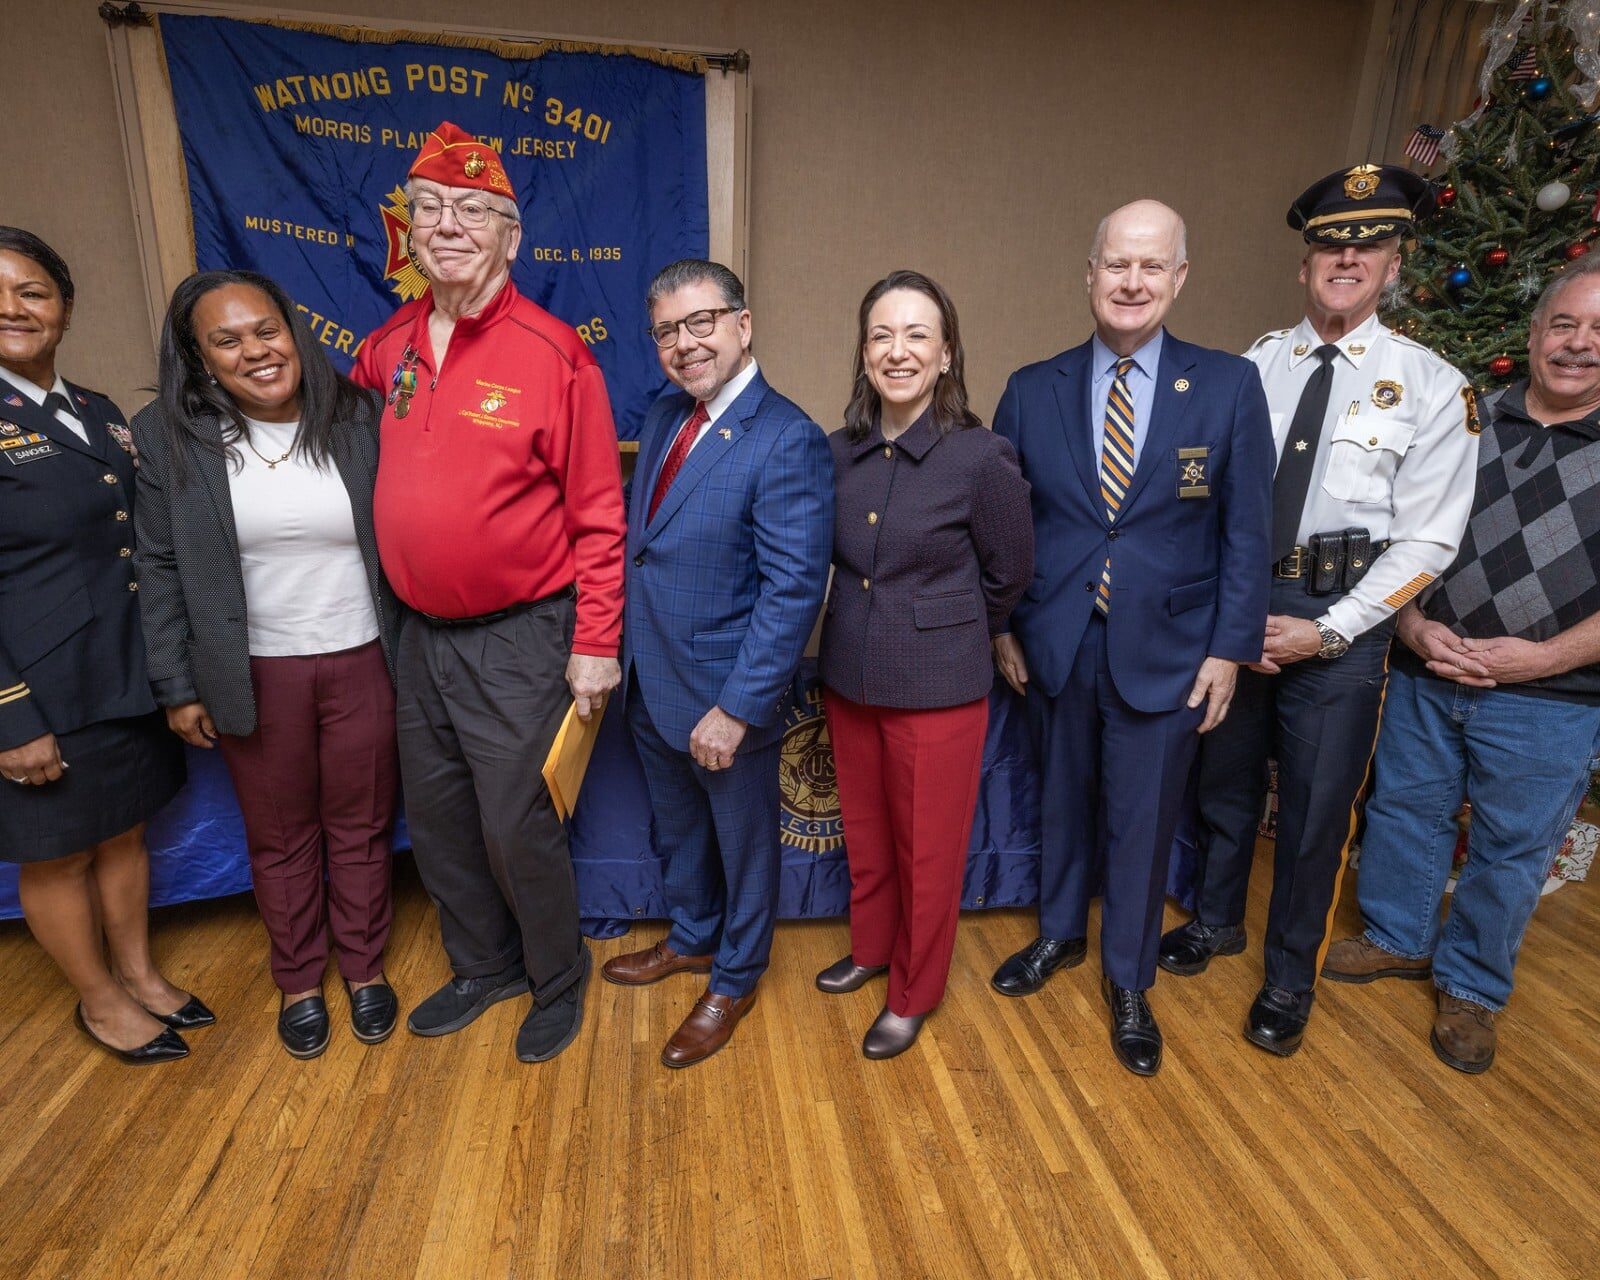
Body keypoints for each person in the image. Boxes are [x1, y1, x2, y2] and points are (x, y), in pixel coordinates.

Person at [1159, 165, 1478, 1057]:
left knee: (1312, 813)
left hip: (1342, 621)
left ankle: (1290, 974)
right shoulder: (1251, 366)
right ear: (1305, 265)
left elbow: (1429, 543)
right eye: (1331, 244)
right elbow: (1210, 493)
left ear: (1393, 263)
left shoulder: (1428, 384)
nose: (1347, 258)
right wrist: (1229, 610)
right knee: (1223, 785)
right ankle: (1218, 921)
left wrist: (1329, 627)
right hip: (1244, 604)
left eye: (1367, 245)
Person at [351, 122, 626, 1064]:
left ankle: (555, 977)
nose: (450, 225)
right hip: (415, 636)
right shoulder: (384, 347)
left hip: (521, 635)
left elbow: (598, 511)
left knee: (517, 821)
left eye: (475, 211)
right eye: (430, 209)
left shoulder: (555, 355)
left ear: (513, 237)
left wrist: (595, 642)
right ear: (408, 233)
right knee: (436, 816)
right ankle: (483, 965)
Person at [988, 201, 1275, 1076]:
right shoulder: (1031, 388)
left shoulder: (1227, 386)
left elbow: (1248, 534)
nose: (1132, 282)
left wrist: (1228, 648)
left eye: (1152, 267)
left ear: (1179, 279)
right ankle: (1061, 936)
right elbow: (1001, 527)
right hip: (1059, 640)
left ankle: (1130, 980)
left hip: (1172, 651)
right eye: (1117, 264)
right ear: (1089, 275)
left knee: (1144, 824)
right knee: (1062, 800)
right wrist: (1003, 624)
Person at [1323, 255, 1600, 1073]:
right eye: (1564, 324)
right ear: (1534, 330)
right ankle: (1397, 937)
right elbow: (1394, 527)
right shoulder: (1460, 415)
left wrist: (1543, 657)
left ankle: (1473, 989)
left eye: (1598, 334)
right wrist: (1405, 622)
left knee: (1512, 849)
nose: (1578, 345)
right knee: (1407, 811)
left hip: (1552, 695)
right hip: (1425, 667)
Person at [133, 269, 403, 1059]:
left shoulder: (357, 415)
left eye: (266, 330)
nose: (255, 350)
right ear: (199, 357)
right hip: (252, 671)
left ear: (293, 331)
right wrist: (177, 685)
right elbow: (157, 565)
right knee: (280, 837)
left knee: (360, 826)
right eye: (227, 340)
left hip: (364, 660)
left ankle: (363, 971)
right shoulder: (166, 435)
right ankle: (298, 981)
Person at [602, 259, 832, 1068]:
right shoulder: (669, 415)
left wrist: (737, 708)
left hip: (724, 700)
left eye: (701, 322)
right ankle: (694, 939)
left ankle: (733, 977)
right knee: (679, 837)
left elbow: (795, 587)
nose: (684, 343)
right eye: (667, 330)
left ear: (743, 322)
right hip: (652, 683)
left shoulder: (788, 437)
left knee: (744, 847)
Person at [815, 270, 1032, 1059]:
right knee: (868, 839)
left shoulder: (981, 455)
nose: (897, 351)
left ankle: (912, 991)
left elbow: (1010, 571)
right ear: (864, 352)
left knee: (927, 852)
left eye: (916, 336)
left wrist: (965, 627)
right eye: (882, 335)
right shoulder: (837, 452)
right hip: (849, 677)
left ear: (946, 356)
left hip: (939, 688)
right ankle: (871, 951)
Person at [0, 226, 201, 1065]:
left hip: (121, 669)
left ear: (65, 308)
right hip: (37, 687)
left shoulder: (96, 410)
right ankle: (100, 1001)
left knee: (123, 832)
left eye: (32, 292)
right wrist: (9, 716)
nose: (13, 308)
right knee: (58, 853)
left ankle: (140, 976)